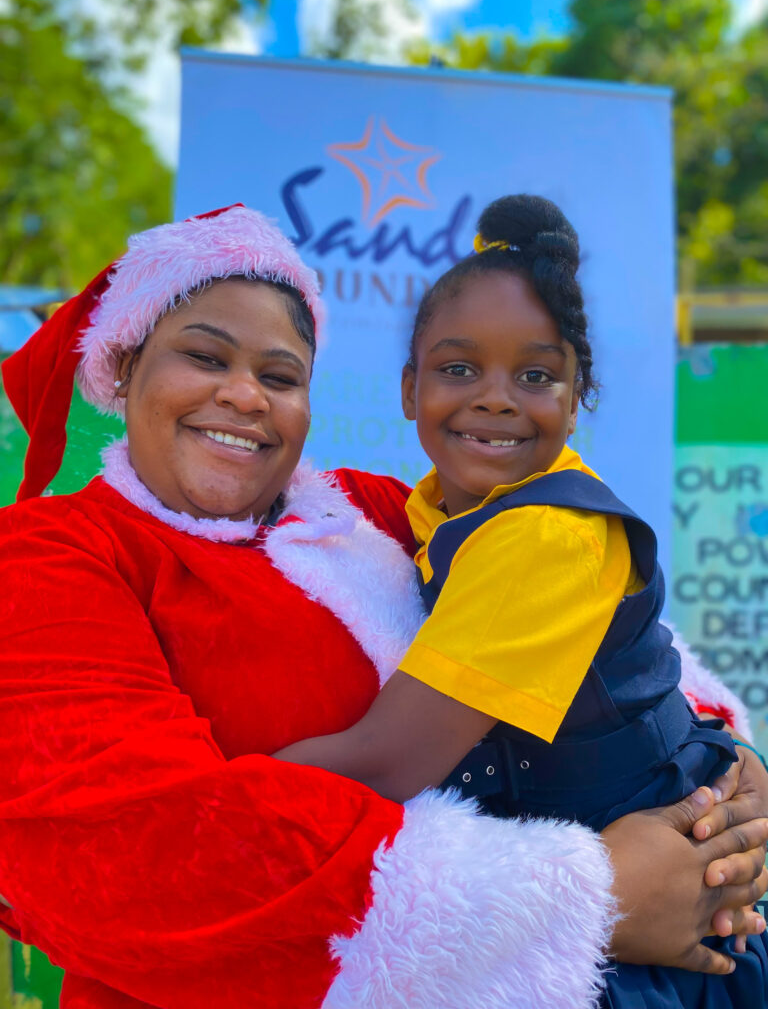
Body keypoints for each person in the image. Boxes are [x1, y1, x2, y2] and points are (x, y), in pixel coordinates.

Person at [0, 204, 766, 1009]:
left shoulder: (373, 513)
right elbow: (133, 858)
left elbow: (592, 638)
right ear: (124, 367)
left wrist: (725, 778)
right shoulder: (50, 557)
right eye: (203, 356)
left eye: (280, 375)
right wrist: (589, 897)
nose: (243, 396)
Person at [273, 194, 768, 1006]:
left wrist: (189, 800)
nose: (496, 397)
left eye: (535, 375)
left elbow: (390, 761)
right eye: (459, 368)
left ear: (577, 398)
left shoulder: (546, 535)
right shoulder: (435, 513)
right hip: (585, 901)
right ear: (409, 388)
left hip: (653, 944)